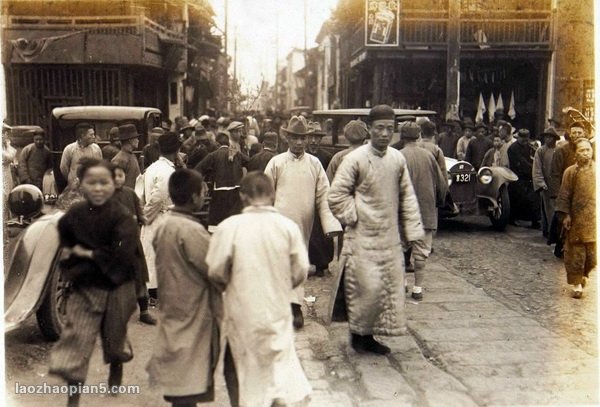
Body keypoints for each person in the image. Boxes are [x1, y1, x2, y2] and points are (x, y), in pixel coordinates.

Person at [207, 172, 312, 407]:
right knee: (277, 362)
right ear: (272, 194)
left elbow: (215, 271)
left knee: (238, 365)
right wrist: (282, 286)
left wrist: (230, 286)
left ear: (242, 196)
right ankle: (276, 399)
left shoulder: (229, 227)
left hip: (242, 310)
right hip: (276, 307)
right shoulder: (287, 227)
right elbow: (301, 270)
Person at [328, 105, 424, 355]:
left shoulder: (397, 159)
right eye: (379, 128)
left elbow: (408, 196)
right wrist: (354, 216)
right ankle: (358, 336)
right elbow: (336, 195)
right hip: (361, 237)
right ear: (369, 129)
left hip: (389, 236)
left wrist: (413, 231)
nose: (384, 134)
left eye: (389, 129)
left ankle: (369, 336)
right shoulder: (355, 159)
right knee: (364, 288)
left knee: (384, 289)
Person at [49, 158, 138, 407]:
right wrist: (73, 267)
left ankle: (116, 371)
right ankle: (72, 401)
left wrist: (88, 253)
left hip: (118, 285)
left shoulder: (123, 216)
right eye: (91, 182)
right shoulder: (74, 214)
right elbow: (66, 245)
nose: (98, 188)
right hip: (85, 285)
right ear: (81, 185)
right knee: (77, 343)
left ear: (113, 184)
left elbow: (122, 255)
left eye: (104, 182)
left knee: (114, 338)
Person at [147, 169, 221, 407]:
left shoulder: (165, 225)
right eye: (203, 192)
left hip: (172, 304)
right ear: (193, 198)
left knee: (179, 371)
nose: (204, 195)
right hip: (193, 308)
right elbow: (214, 269)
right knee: (189, 372)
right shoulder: (191, 230)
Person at [265, 115, 342, 329]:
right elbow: (265, 193)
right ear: (287, 138)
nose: (299, 143)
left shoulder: (314, 164)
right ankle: (280, 305)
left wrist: (330, 224)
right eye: (295, 138)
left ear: (307, 140)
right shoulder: (276, 163)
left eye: (303, 138)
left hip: (303, 224)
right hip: (279, 221)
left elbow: (324, 196)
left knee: (299, 264)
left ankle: (295, 306)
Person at [398, 121, 447, 301]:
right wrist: (440, 202)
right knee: (421, 253)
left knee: (401, 249)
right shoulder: (429, 156)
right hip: (425, 212)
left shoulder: (396, 156)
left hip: (402, 213)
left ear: (402, 138)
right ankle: (418, 289)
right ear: (418, 136)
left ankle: (402, 283)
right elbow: (441, 183)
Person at [112, 163, 156, 325]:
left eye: (121, 175)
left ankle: (144, 311)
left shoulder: (131, 194)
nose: (118, 179)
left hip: (133, 243)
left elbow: (140, 214)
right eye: (114, 176)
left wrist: (144, 219)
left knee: (140, 277)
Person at [139, 132, 181, 302]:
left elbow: (140, 191)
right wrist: (147, 216)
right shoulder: (167, 171)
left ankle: (154, 292)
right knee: (159, 255)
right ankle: (156, 294)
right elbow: (158, 197)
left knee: (151, 253)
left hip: (154, 215)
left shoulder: (152, 167)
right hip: (160, 216)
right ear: (176, 150)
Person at [555, 138, 595, 299]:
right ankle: (577, 283)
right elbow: (564, 195)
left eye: (588, 149)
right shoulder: (570, 172)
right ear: (576, 154)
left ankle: (584, 274)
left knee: (592, 256)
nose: (586, 153)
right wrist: (566, 215)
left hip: (593, 218)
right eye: (582, 150)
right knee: (576, 253)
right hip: (577, 218)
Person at [548, 122, 590, 256]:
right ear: (570, 134)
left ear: (584, 134)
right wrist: (556, 195)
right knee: (565, 222)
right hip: (565, 191)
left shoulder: (589, 150)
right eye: (574, 133)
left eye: (579, 132)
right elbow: (555, 174)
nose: (577, 135)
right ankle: (561, 247)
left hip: (584, 193)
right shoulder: (562, 150)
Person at [196, 132, 249, 229]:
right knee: (234, 220)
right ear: (228, 143)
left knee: (216, 221)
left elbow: (198, 170)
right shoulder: (238, 154)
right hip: (236, 191)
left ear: (217, 144)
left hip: (219, 191)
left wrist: (203, 182)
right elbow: (250, 162)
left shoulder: (213, 155)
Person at [507, 129, 541, 228]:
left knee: (533, 198)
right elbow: (520, 161)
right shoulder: (513, 148)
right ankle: (512, 218)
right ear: (519, 137)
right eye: (522, 138)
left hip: (528, 176)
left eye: (526, 139)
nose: (525, 141)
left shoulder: (530, 147)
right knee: (516, 198)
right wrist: (532, 168)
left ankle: (534, 220)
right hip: (517, 176)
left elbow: (534, 157)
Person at [532, 127, 559, 238]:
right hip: (546, 184)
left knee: (556, 208)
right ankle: (548, 231)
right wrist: (541, 182)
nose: (548, 139)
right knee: (547, 208)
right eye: (546, 137)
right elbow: (537, 168)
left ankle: (556, 231)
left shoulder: (559, 150)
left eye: (550, 137)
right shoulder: (541, 151)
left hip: (557, 183)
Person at [59, 123, 102, 188]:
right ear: (82, 136)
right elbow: (63, 168)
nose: (94, 137)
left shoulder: (96, 149)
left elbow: (100, 166)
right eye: (91, 135)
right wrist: (72, 179)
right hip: (75, 187)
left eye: (94, 134)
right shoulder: (69, 149)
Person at [111, 124, 141, 189]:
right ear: (130, 140)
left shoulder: (131, 155)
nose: (138, 141)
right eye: (136, 138)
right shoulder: (119, 160)